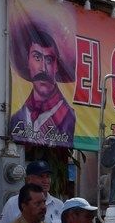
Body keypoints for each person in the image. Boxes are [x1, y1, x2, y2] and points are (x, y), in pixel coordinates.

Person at [8, 12, 76, 147]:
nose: (43, 68)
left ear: (56, 66)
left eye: (49, 60)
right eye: (37, 57)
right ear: (28, 61)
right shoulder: (17, 118)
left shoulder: (68, 116)